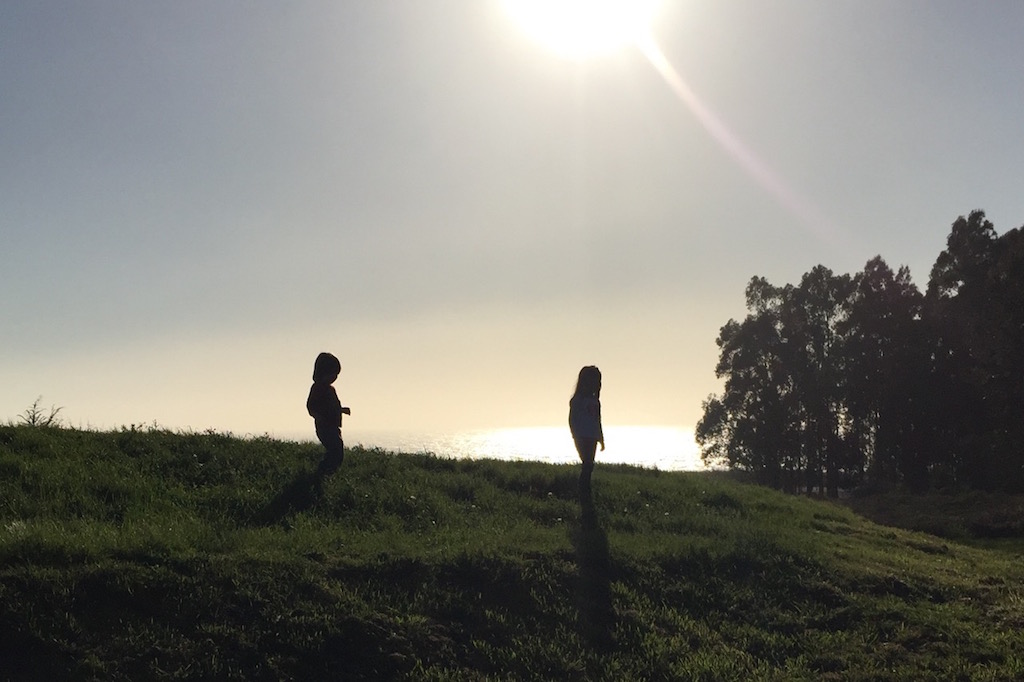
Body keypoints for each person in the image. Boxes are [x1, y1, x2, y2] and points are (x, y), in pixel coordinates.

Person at [306, 352, 351, 475]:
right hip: (324, 426)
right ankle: (324, 472)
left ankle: (328, 472)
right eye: (332, 374)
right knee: (335, 450)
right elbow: (311, 405)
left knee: (337, 449)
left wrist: (342, 409)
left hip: (333, 425)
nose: (334, 377)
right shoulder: (318, 388)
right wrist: (317, 415)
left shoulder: (330, 389)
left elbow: (332, 406)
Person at [569, 365, 604, 495]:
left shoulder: (595, 401)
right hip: (582, 436)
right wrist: (575, 434)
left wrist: (600, 437)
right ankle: (583, 490)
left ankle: (585, 489)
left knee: (589, 465)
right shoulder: (577, 400)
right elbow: (572, 419)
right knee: (587, 463)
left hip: (592, 436)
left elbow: (597, 420)